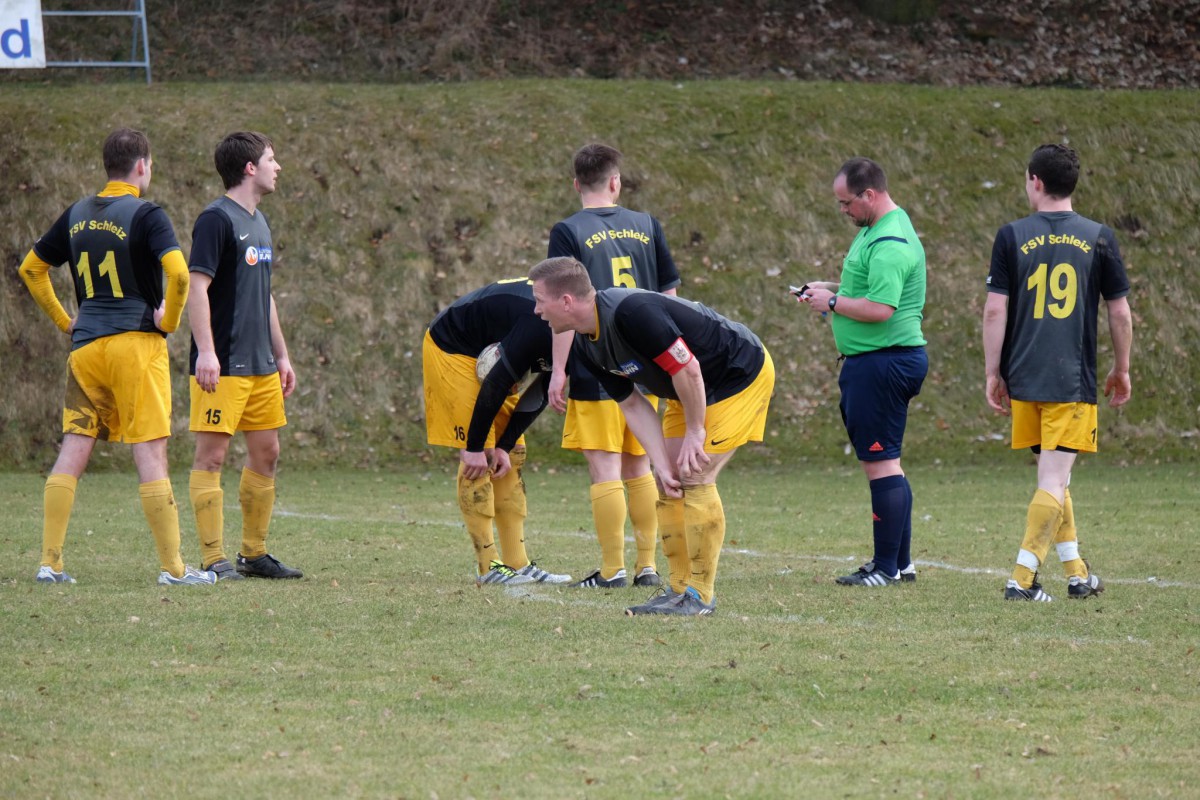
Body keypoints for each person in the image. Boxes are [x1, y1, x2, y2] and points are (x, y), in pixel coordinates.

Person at [18, 127, 214, 586]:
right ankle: (174, 569)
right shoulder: (148, 214)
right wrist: (168, 323)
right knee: (150, 451)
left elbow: (31, 268)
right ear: (142, 165)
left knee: (74, 447)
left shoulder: (77, 214)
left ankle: (50, 563)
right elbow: (179, 276)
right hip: (135, 346)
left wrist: (66, 321)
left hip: (86, 349)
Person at [529, 257, 774, 616]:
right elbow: (632, 404)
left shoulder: (632, 313)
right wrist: (659, 463)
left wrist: (696, 430)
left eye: (539, 300)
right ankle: (678, 589)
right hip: (686, 389)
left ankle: (700, 597)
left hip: (737, 375)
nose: (536, 310)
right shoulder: (585, 344)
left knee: (694, 475)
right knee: (669, 481)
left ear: (566, 301)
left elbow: (689, 368)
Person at [983, 143, 1132, 602]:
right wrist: (1122, 367)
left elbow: (994, 311)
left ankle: (1076, 573)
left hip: (1024, 377)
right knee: (1054, 477)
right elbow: (1119, 312)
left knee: (1053, 476)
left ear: (1036, 181)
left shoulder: (1011, 235)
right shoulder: (1099, 237)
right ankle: (1022, 580)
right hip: (1070, 380)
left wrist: (993, 371)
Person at [547, 143, 681, 590]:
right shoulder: (648, 225)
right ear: (615, 182)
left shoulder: (568, 230)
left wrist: (559, 370)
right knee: (638, 465)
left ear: (576, 184)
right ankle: (647, 566)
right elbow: (671, 299)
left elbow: (563, 305)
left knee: (604, 468)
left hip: (597, 360)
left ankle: (611, 570)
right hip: (646, 363)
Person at [796, 157, 928, 588]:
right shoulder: (878, 228)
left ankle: (886, 568)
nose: (843, 210)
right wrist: (830, 289)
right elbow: (869, 289)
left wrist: (833, 304)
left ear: (869, 194)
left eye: (846, 202)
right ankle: (900, 565)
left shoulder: (889, 242)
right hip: (878, 361)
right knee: (889, 463)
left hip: (882, 363)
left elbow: (881, 308)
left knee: (881, 464)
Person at [187, 131, 302, 581]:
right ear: (250, 168)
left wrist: (282, 355)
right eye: (272, 159)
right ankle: (213, 558)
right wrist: (207, 352)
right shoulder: (215, 220)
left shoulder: (260, 222)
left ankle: (254, 554)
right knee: (212, 458)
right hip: (224, 364)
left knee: (267, 453)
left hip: (261, 365)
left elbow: (264, 294)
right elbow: (197, 288)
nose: (278, 167)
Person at [423, 277, 572, 586]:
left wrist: (505, 444)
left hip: (490, 347)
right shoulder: (541, 323)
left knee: (513, 453)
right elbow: (496, 383)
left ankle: (518, 563)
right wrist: (475, 446)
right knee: (481, 456)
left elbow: (542, 390)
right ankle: (488, 566)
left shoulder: (582, 330)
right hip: (454, 346)